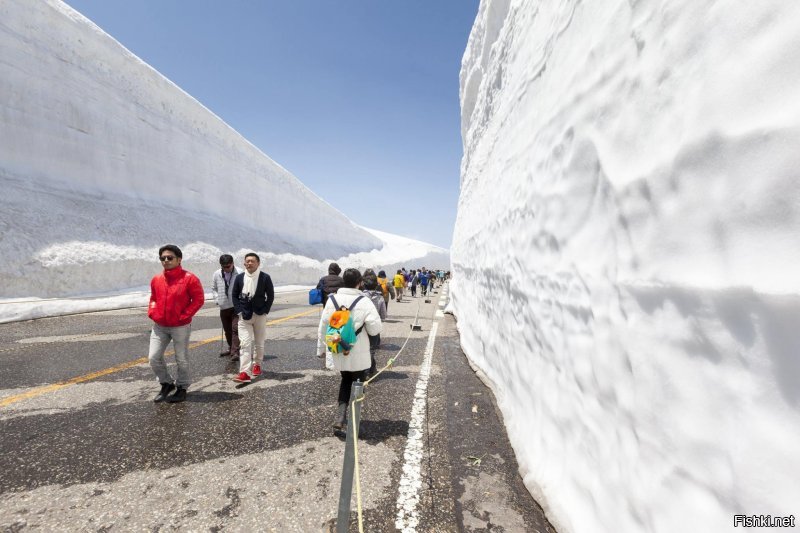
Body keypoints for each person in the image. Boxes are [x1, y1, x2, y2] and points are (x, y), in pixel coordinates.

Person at [317, 268, 382, 431]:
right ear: (359, 283)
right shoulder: (364, 301)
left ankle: (340, 416)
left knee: (345, 379)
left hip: (338, 347)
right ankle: (354, 419)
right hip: (357, 349)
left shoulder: (332, 300)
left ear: (343, 282)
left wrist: (322, 349)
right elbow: (375, 329)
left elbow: (323, 325)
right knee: (358, 382)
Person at [147, 244, 205, 403]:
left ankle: (182, 387)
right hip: (160, 326)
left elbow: (198, 299)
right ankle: (166, 383)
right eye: (163, 258)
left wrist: (184, 315)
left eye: (170, 257)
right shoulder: (157, 279)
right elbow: (153, 298)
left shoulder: (190, 278)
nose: (166, 260)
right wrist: (152, 311)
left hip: (180, 326)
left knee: (181, 358)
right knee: (153, 357)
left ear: (179, 259)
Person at [232, 253, 275, 383]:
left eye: (252, 261)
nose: (249, 263)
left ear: (258, 263)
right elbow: (234, 295)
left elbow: (271, 295)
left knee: (259, 343)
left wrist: (265, 310)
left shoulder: (265, 278)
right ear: (244, 263)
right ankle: (244, 372)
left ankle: (257, 365)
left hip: (260, 315)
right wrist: (239, 310)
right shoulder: (240, 278)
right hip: (244, 316)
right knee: (245, 343)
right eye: (247, 261)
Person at [211, 254, 243, 360]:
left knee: (235, 329)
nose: (226, 268)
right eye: (224, 267)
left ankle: (235, 352)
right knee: (227, 330)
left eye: (228, 266)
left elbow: (244, 287)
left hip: (236, 305)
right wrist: (217, 300)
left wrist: (242, 301)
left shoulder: (240, 272)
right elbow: (214, 288)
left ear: (233, 263)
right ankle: (231, 348)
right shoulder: (216, 273)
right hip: (223, 306)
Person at [362, 270, 386, 377]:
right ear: (376, 285)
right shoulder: (380, 297)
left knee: (362, 348)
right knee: (371, 349)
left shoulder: (361, 297)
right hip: (374, 326)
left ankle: (369, 369)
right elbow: (383, 316)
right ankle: (368, 371)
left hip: (361, 326)